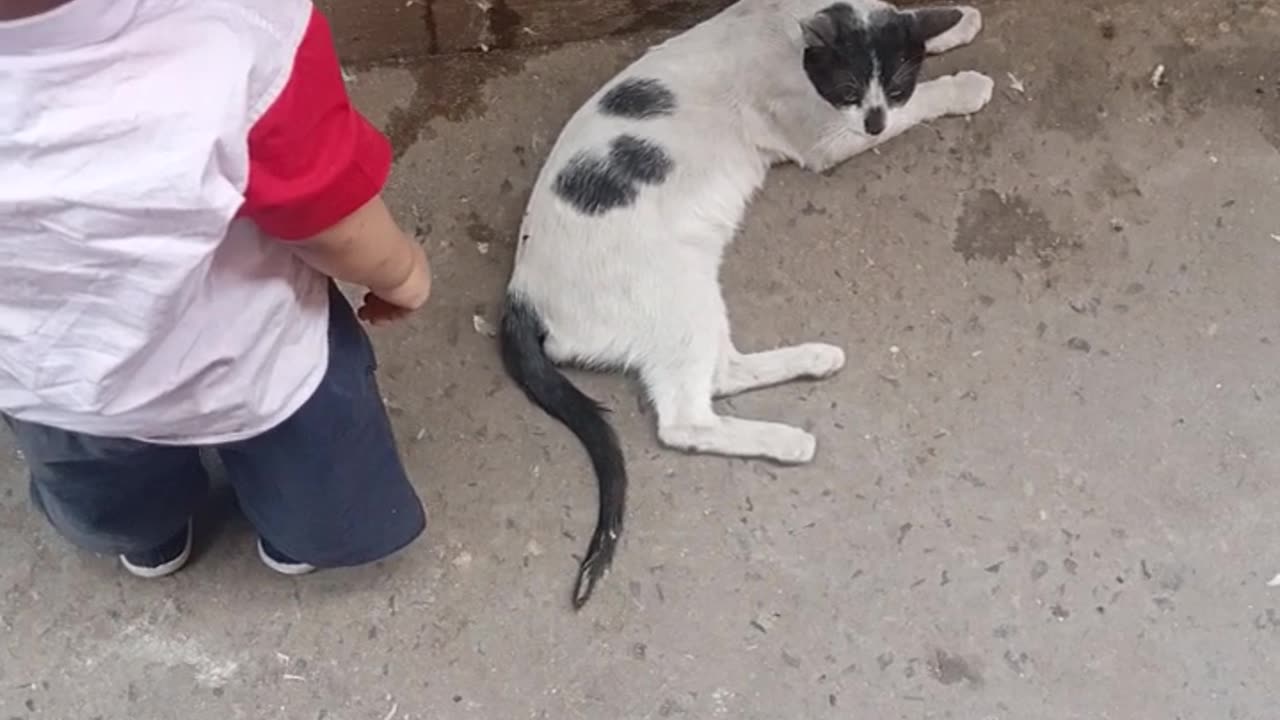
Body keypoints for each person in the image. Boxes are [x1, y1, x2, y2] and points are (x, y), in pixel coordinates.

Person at [0, 0, 430, 578]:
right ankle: (300, 537)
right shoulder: (236, 22)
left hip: (55, 382)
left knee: (104, 480)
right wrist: (400, 273)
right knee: (316, 471)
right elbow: (330, 216)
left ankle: (149, 537)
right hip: (251, 356)